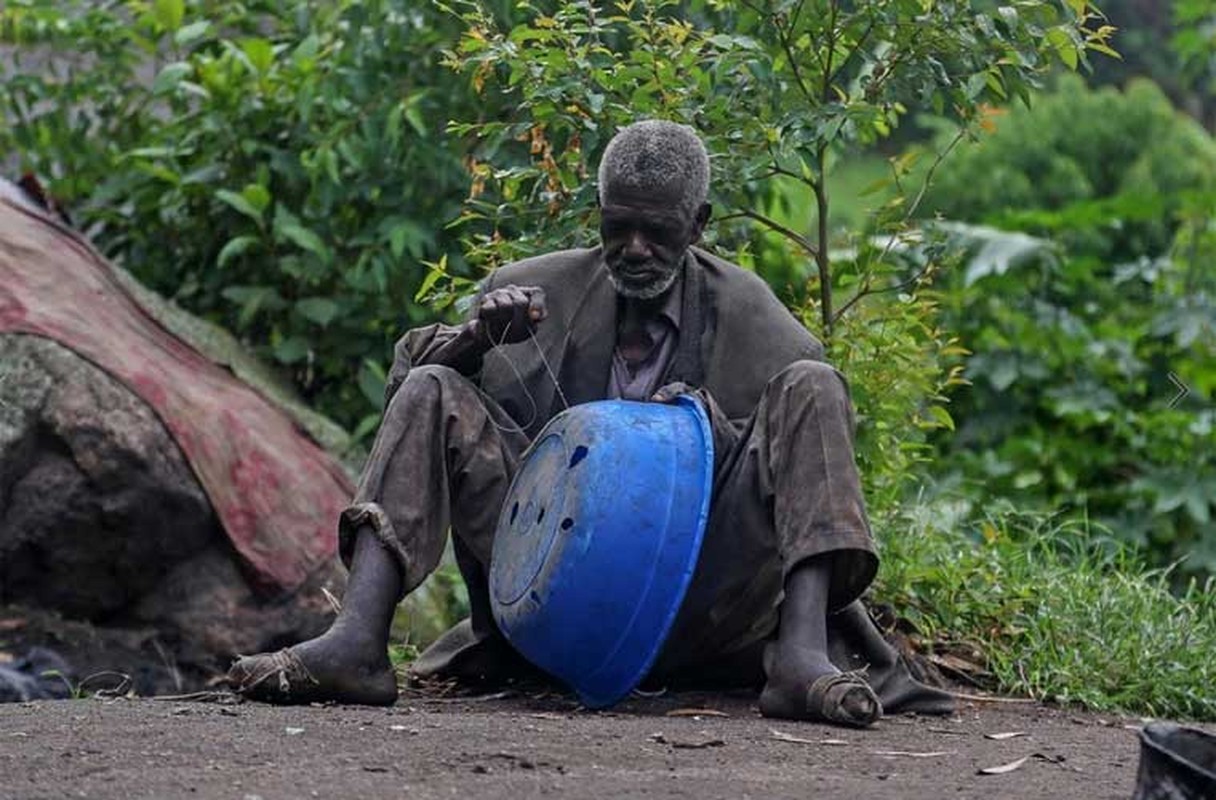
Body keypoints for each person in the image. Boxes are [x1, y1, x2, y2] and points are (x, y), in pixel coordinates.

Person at [229, 121, 954, 727]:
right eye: (618, 226)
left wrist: (705, 431)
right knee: (430, 385)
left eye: (657, 229)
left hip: (693, 597)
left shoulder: (754, 318)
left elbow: (798, 465)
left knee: (815, 386)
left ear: (699, 225)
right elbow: (406, 395)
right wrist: (475, 340)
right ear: (598, 213)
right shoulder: (538, 287)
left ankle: (797, 658)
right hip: (554, 586)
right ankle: (356, 641)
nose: (634, 247)